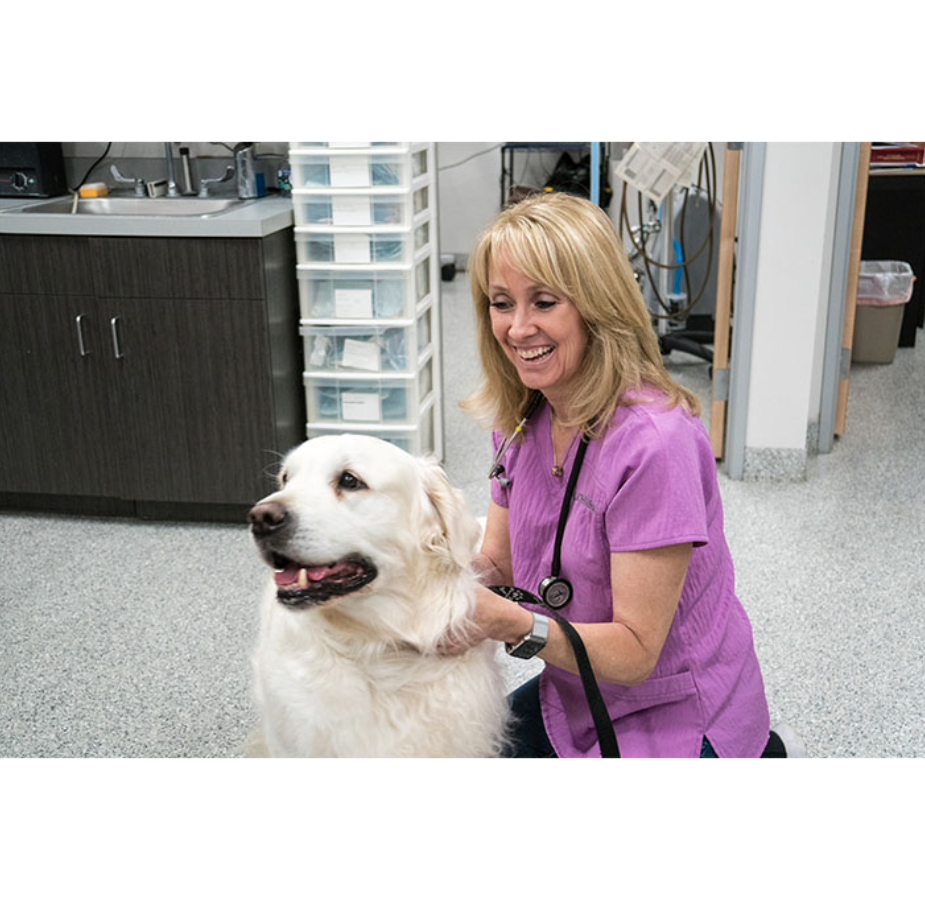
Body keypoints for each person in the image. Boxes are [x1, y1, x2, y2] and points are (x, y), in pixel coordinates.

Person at [453, 190, 790, 759]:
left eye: (544, 301)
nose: (517, 328)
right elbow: (500, 563)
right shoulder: (521, 417)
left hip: (674, 709)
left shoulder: (656, 444)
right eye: (501, 302)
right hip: (578, 686)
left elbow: (635, 653)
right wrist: (418, 580)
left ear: (594, 304)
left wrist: (511, 624)